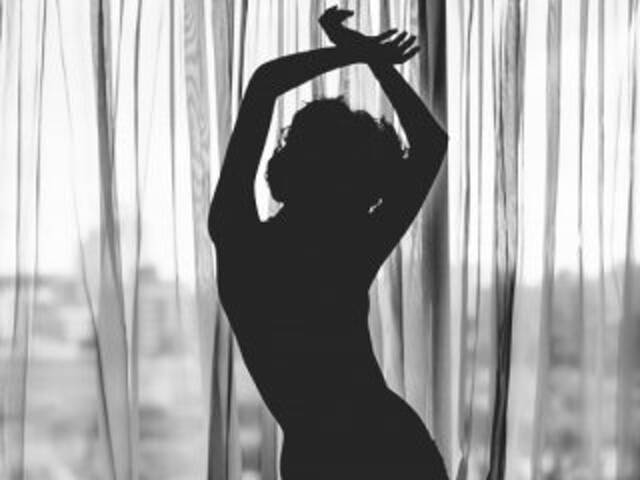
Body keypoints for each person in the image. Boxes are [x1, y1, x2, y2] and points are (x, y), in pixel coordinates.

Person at [208, 6, 449, 479]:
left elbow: (265, 84)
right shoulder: (351, 248)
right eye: (365, 189)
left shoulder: (239, 239)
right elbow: (430, 143)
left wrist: (359, 53)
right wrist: (371, 58)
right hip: (387, 444)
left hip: (323, 454)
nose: (370, 202)